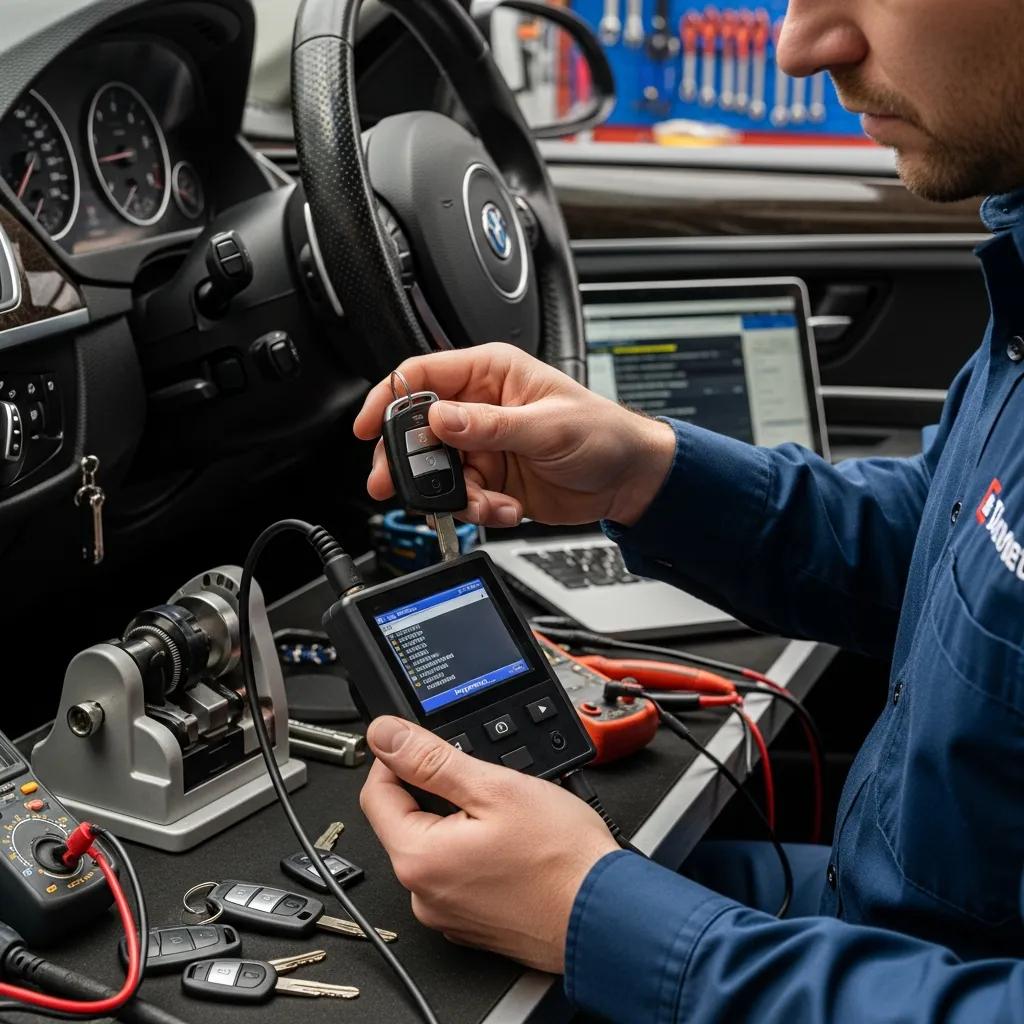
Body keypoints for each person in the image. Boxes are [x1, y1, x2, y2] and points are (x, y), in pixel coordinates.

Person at [352, 0, 1024, 1019]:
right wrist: (644, 474)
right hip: (867, 920)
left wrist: (596, 918)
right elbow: (947, 534)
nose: (801, 48)